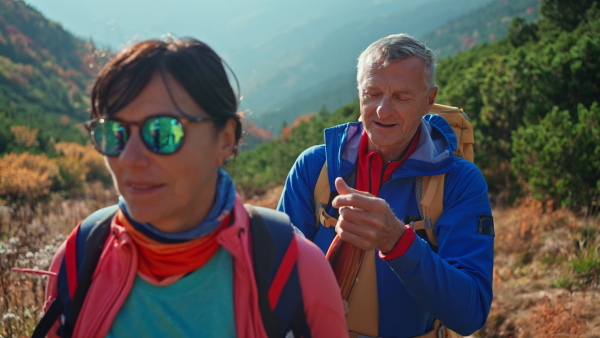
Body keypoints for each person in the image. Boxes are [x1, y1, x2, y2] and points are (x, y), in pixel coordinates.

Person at [39, 37, 347, 337]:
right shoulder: (79, 257)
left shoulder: (295, 272)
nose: (129, 158)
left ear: (225, 139)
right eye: (113, 132)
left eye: (162, 132)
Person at [277, 34, 494, 338]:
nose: (382, 110)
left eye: (402, 97)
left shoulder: (459, 182)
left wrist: (397, 241)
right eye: (372, 93)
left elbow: (470, 313)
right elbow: (275, 274)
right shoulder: (315, 167)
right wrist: (304, 302)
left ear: (428, 100)